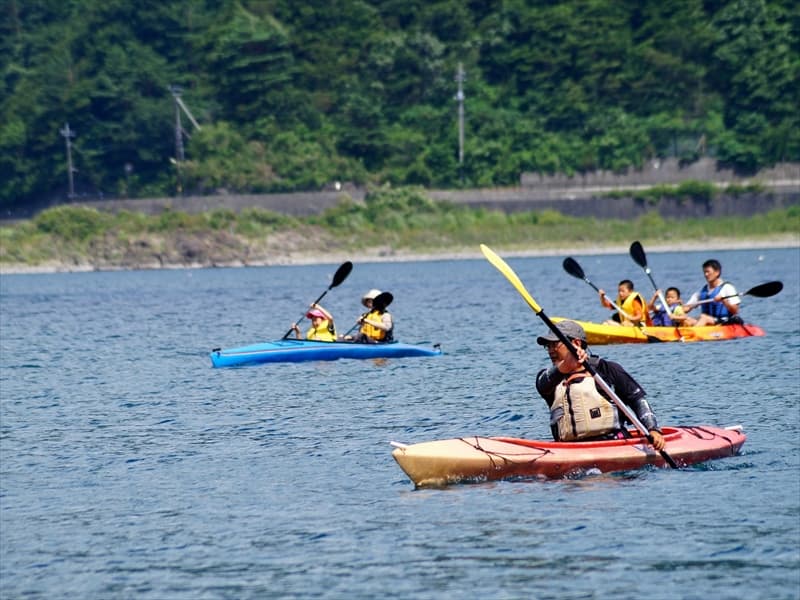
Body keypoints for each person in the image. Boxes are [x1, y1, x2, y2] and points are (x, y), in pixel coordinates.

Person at [534, 320, 666, 450]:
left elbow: (638, 401)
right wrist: (564, 367)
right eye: (548, 346)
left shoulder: (607, 370)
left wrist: (653, 429)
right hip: (569, 449)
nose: (550, 350)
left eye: (555, 344)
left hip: (613, 443)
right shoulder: (549, 378)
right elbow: (542, 385)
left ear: (576, 343)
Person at [683, 259, 741, 326]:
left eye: (708, 272)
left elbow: (735, 311)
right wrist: (677, 307)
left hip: (724, 321)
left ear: (717, 272)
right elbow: (686, 308)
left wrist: (724, 301)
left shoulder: (727, 288)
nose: (706, 274)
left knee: (703, 318)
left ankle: (693, 334)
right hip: (708, 321)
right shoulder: (702, 291)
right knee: (687, 320)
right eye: (704, 272)